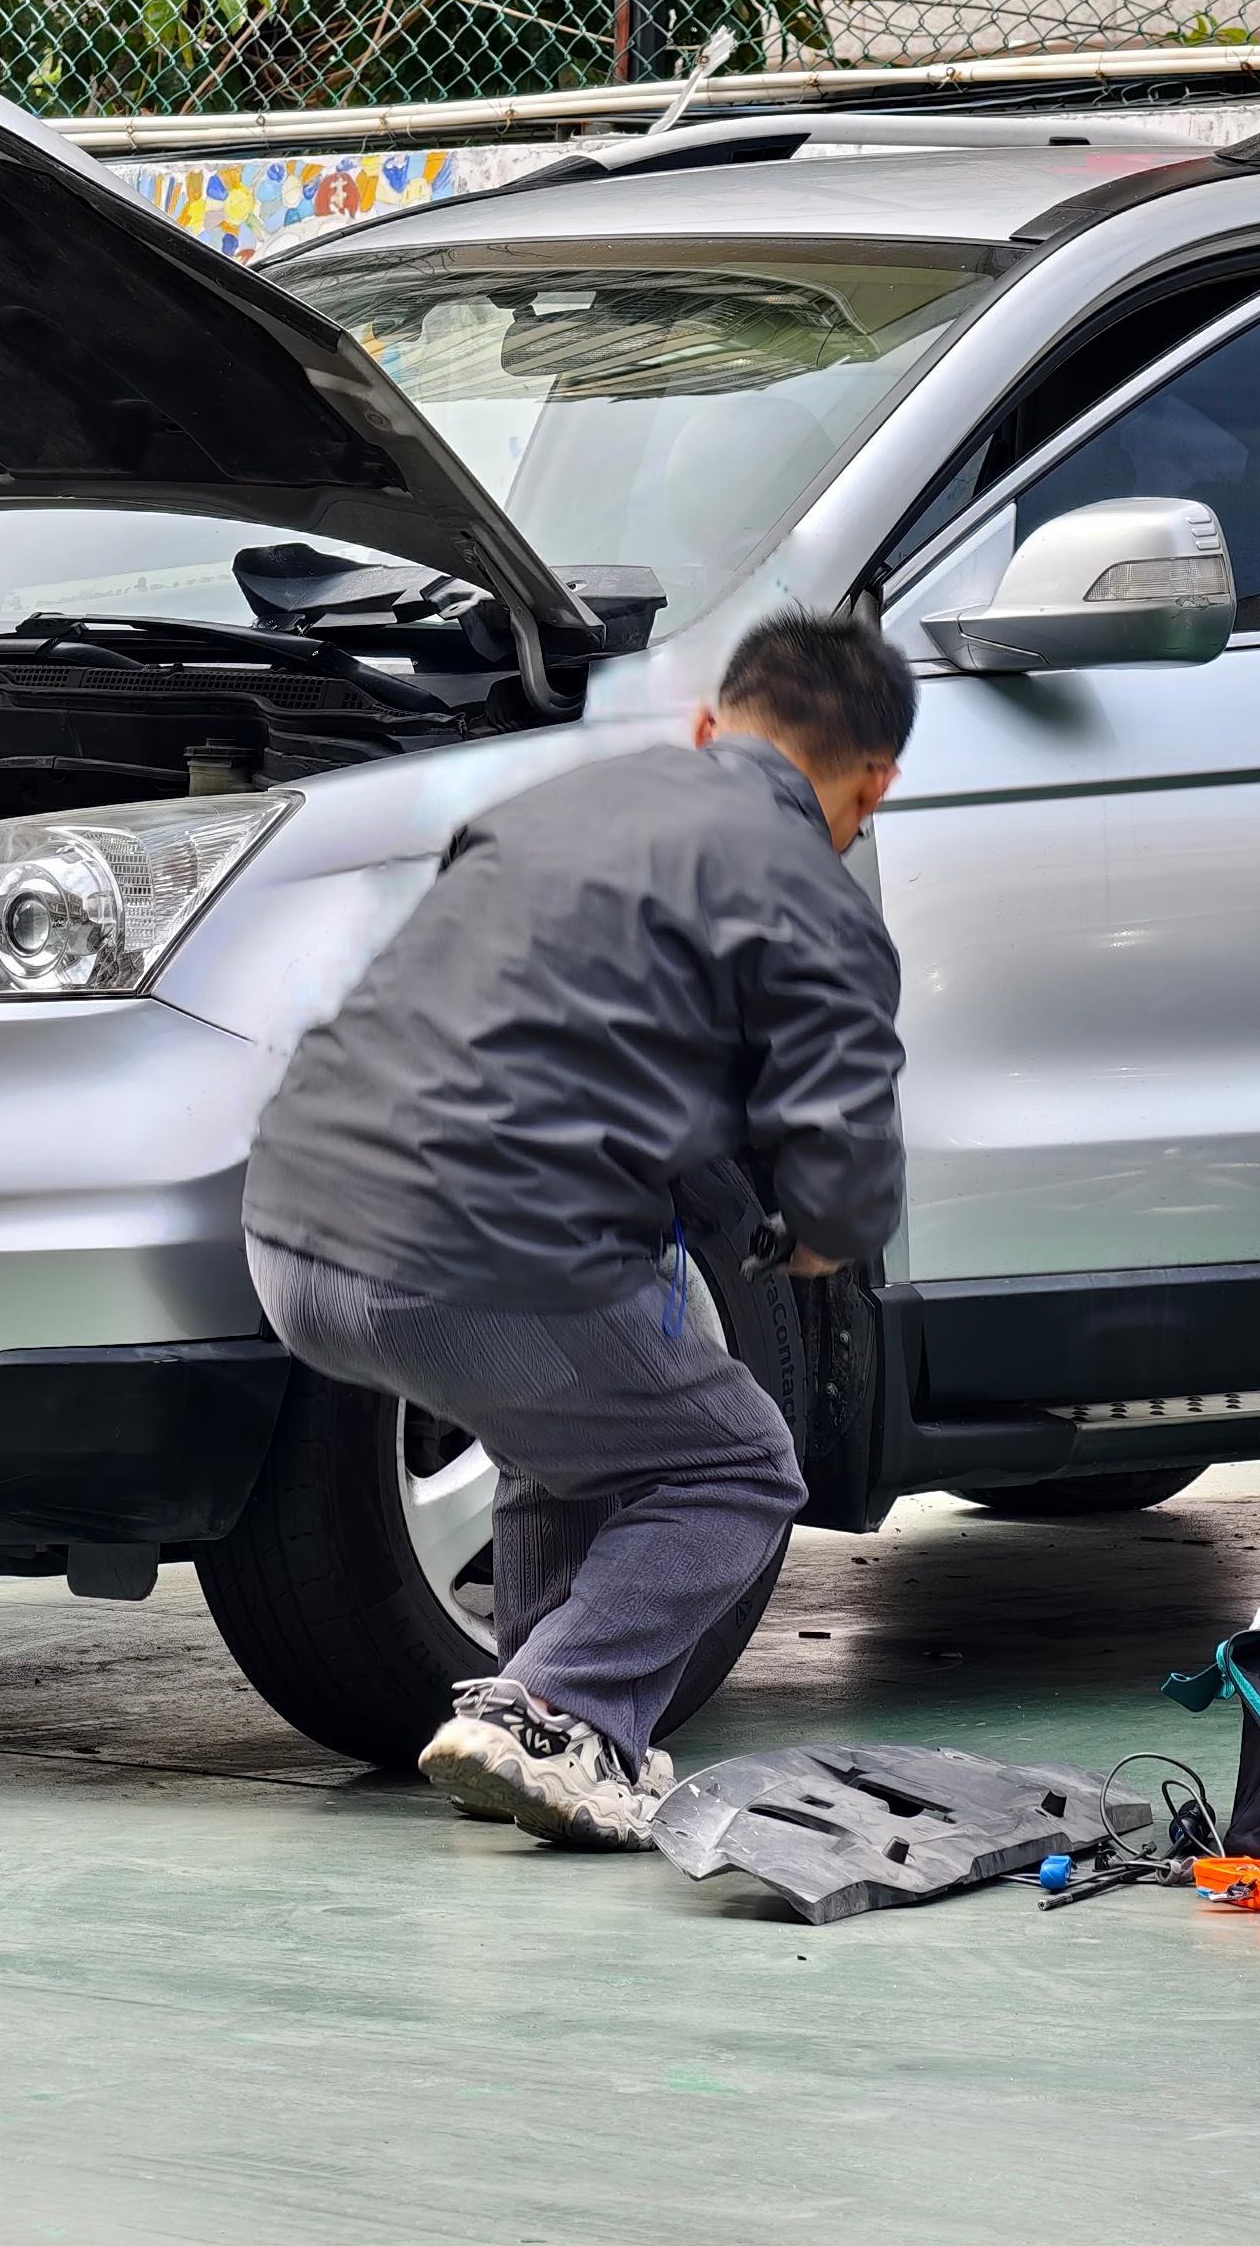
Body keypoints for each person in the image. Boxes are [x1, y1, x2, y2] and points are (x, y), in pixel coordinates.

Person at [237, 609, 915, 1850]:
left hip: (289, 1229)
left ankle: (550, 1737)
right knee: (737, 1464)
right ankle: (563, 1706)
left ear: (713, 727)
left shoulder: (552, 809)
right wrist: (814, 1236)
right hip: (469, 1254)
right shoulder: (810, 895)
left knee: (575, 1430)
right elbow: (842, 1150)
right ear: (873, 784)